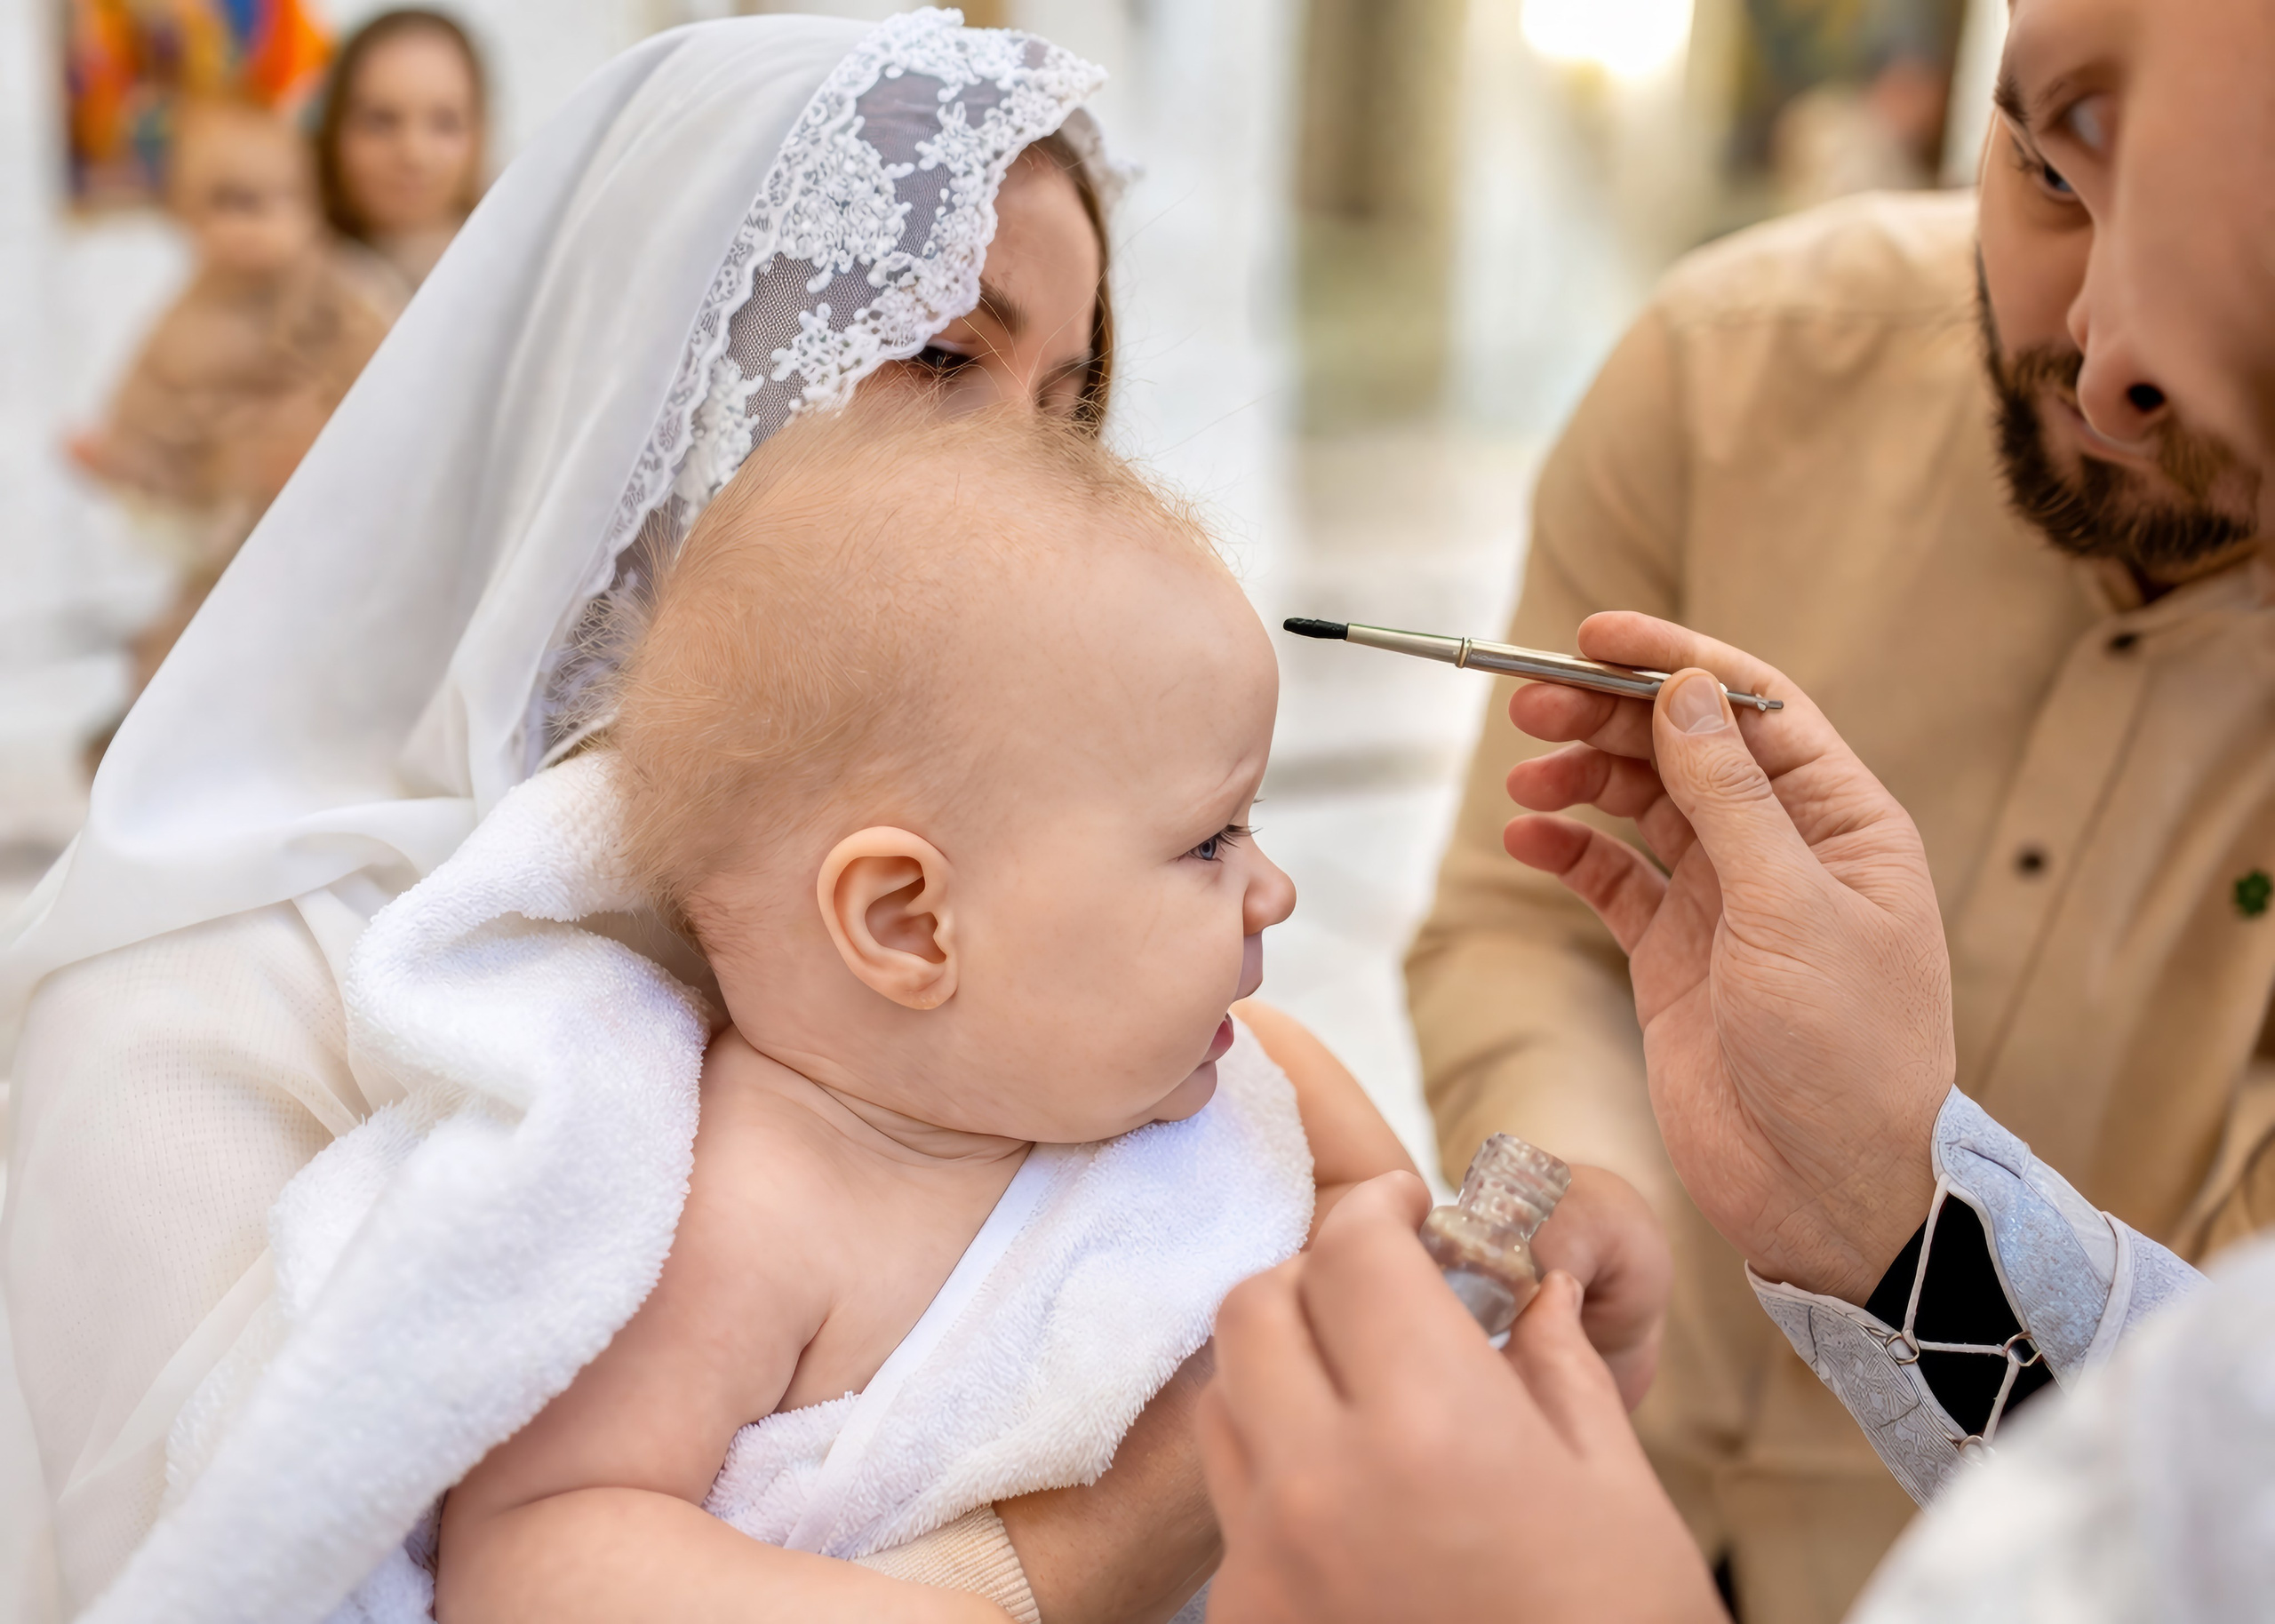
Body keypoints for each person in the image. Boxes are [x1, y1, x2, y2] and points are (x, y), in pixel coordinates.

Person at [4, 16, 1163, 1620]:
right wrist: (1095, 1548)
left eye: (1069, 402)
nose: (1037, 486)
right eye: (949, 359)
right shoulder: (194, 1010)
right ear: (665, 380)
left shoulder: (993, 897)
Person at [1201, 0, 2275, 1614]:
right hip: (1623, 1448)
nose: (2106, 348)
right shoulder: (1733, 364)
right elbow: (1527, 910)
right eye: (2049, 169)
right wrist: (1593, 1182)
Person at [69, 99, 387, 697]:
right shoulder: (187, 312)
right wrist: (124, 448)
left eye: (273, 202)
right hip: (224, 507)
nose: (250, 226)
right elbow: (149, 390)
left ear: (311, 205)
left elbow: (388, 346)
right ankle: (155, 708)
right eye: (226, 203)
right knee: (199, 619)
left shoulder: (329, 279)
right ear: (185, 213)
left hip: (326, 492)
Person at [315, 8, 488, 315]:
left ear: (480, 133)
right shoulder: (272, 290)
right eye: (380, 121)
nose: (413, 154)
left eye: (445, 123)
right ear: (333, 131)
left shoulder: (527, 277)